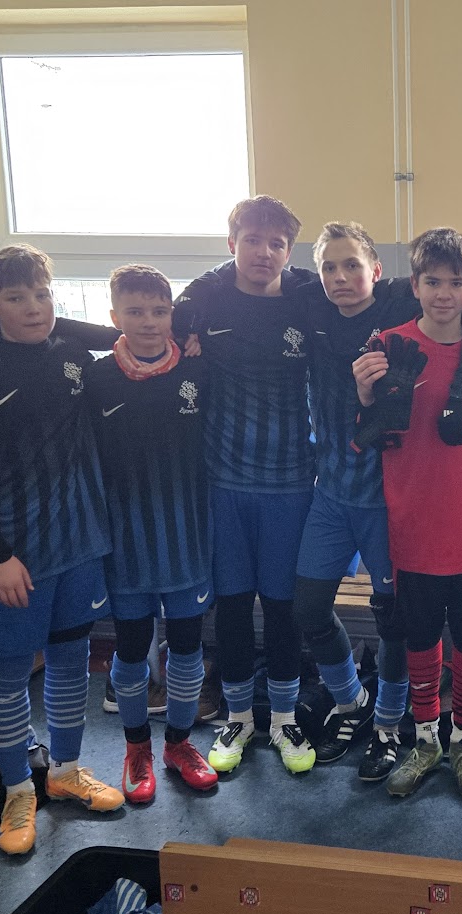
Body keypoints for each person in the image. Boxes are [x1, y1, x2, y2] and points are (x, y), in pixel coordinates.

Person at [291, 222, 462, 781]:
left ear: (377, 272)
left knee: (401, 624)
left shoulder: (447, 331)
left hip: (403, 505)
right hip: (339, 493)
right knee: (309, 608)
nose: (340, 277)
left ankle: (392, 727)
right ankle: (355, 704)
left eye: (352, 265)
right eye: (329, 267)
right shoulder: (336, 322)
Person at [0, 244, 126, 856]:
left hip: (79, 543)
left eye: (43, 295)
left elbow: (115, 336)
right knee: (9, 673)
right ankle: (18, 788)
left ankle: (65, 771)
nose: (34, 308)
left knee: (72, 660)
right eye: (16, 298)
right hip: (13, 557)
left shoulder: (72, 355)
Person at [351, 227, 462, 800]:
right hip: (412, 521)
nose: (444, 293)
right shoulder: (388, 346)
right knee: (419, 638)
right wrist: (367, 397)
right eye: (432, 281)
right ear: (413, 284)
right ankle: (425, 740)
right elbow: (361, 437)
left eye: (455, 282)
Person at [173, 196, 321, 775]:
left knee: (283, 609)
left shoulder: (307, 298)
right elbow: (169, 314)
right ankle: (237, 717)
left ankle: (283, 719)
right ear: (231, 242)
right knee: (233, 606)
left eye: (276, 243)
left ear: (289, 250)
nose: (264, 252)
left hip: (290, 483)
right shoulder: (206, 301)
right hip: (225, 482)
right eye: (252, 240)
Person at [86, 264, 218, 803]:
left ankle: (180, 745)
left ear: (172, 315)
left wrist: (193, 333)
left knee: (186, 644)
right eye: (135, 312)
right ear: (114, 316)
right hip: (127, 539)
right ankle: (136, 747)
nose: (148, 322)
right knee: (133, 645)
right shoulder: (96, 378)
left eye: (159, 312)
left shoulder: (197, 370)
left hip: (187, 534)